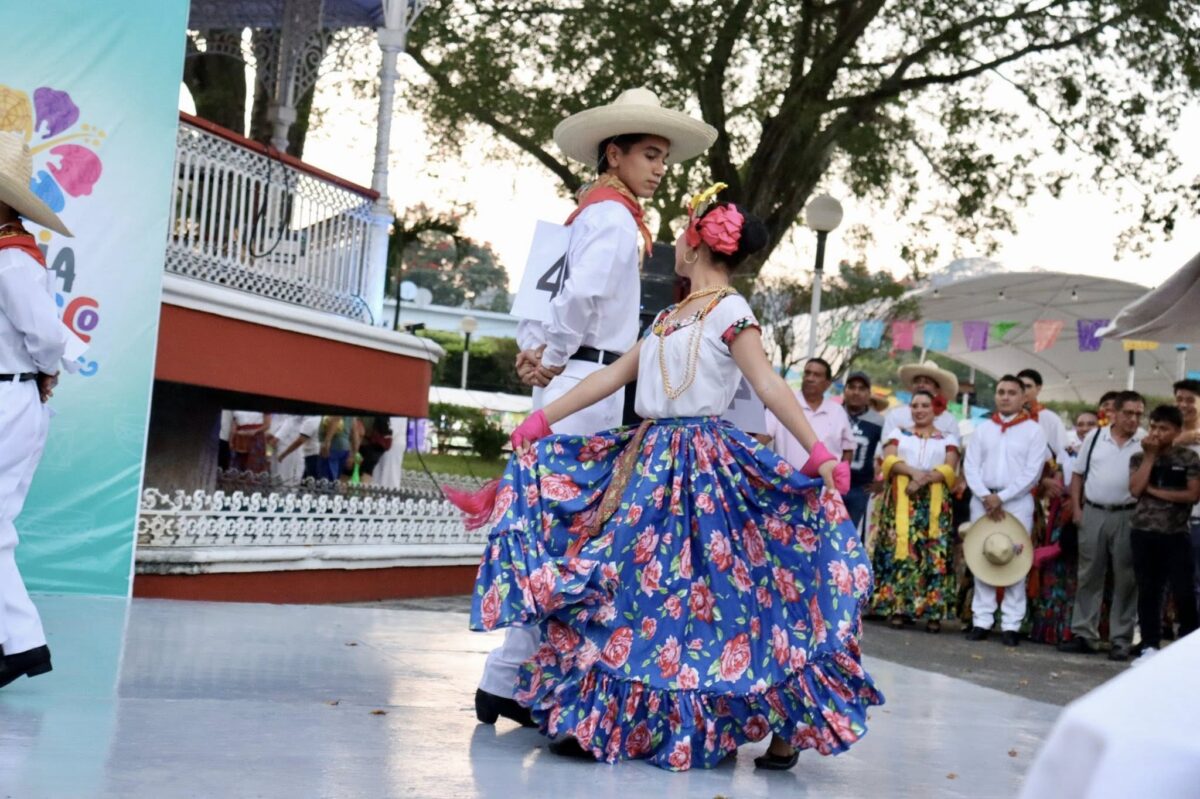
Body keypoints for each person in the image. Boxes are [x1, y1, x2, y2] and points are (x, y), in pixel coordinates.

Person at [453, 194, 878, 771]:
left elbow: (769, 385)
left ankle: (772, 718)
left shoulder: (731, 310)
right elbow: (611, 376)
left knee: (723, 595)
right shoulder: (668, 318)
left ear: (696, 244)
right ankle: (603, 718)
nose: (674, 244)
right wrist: (543, 419)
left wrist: (818, 451)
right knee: (631, 587)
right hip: (649, 461)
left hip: (704, 468)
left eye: (681, 235)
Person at [475, 87, 718, 730]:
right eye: (649, 154)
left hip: (576, 376)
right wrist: (552, 356)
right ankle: (511, 679)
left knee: (555, 533)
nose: (660, 167)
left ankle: (510, 679)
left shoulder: (592, 210)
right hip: (585, 380)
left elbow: (545, 293)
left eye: (663, 156)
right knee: (567, 535)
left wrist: (535, 351)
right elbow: (578, 297)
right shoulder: (612, 217)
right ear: (615, 153)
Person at [0, 130, 73, 687]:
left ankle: (22, 643)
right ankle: (18, 643)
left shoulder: (12, 262)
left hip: (8, 395)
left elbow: (47, 336)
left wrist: (46, 369)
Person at [962, 375, 1048, 647]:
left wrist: (1002, 497)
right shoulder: (983, 429)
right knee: (982, 555)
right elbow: (970, 465)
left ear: (1023, 397)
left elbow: (1033, 472)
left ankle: (1012, 623)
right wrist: (985, 495)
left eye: (1012, 392)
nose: (1005, 397)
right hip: (983, 499)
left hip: (1016, 501)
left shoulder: (1034, 431)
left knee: (1015, 558)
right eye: (1001, 392)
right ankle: (981, 620)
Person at [1059, 390, 1145, 661]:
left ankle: (1121, 639)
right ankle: (1084, 634)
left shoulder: (1145, 441)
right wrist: (1077, 509)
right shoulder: (1095, 437)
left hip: (1128, 514)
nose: (1133, 419)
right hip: (1094, 512)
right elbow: (1077, 474)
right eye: (1128, 413)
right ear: (1114, 414)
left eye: (1138, 414)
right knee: (1089, 575)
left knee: (1126, 578)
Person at [869, 390, 960, 632]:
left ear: (934, 409)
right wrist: (914, 473)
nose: (919, 410)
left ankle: (933, 613)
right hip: (902, 500)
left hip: (934, 504)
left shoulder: (947, 438)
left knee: (934, 551)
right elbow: (889, 461)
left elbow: (950, 468)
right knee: (902, 550)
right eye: (915, 405)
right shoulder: (898, 433)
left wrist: (921, 480)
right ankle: (898, 608)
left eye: (925, 405)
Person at [1126, 405, 1200, 663]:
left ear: (1177, 431)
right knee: (1149, 590)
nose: (1157, 433)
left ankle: (1189, 645)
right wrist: (1150, 457)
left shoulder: (1188, 458)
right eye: (1154, 427)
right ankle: (1149, 644)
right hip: (1143, 532)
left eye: (1164, 428)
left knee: (1184, 592)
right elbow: (1135, 490)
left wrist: (1154, 491)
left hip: (1176, 533)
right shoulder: (1139, 457)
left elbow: (1192, 495)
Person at [764, 357, 854, 472]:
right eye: (807, 373)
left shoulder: (838, 412)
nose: (810, 378)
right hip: (786, 480)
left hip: (824, 481)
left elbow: (848, 449)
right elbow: (762, 438)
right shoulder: (783, 402)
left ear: (827, 383)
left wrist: (841, 475)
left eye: (817, 375)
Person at [841, 370, 884, 532]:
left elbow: (889, 451)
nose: (856, 392)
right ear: (845, 390)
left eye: (861, 388)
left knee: (850, 536)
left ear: (868, 394)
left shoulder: (879, 421)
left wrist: (882, 481)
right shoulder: (833, 412)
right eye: (852, 387)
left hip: (860, 489)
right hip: (830, 485)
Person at [1172, 378, 1200, 614]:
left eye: (1190, 400)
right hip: (1168, 521)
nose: (1183, 405)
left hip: (1197, 520)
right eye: (1179, 399)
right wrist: (1178, 441)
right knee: (1173, 584)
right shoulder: (1167, 433)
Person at [881, 360, 961, 441]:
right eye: (917, 381)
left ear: (937, 389)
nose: (921, 385)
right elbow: (885, 443)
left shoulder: (948, 420)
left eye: (927, 382)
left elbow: (953, 445)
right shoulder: (896, 415)